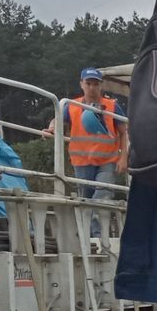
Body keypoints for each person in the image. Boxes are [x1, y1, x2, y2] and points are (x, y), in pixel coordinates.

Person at [42, 67, 126, 241]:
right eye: (88, 83)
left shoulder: (112, 106)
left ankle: (97, 237)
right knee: (85, 200)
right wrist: (51, 129)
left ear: (101, 86)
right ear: (82, 84)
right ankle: (87, 237)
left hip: (107, 160)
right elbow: (57, 119)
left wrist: (123, 157)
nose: (92, 88)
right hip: (81, 160)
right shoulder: (71, 105)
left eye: (96, 84)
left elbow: (123, 132)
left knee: (103, 194)